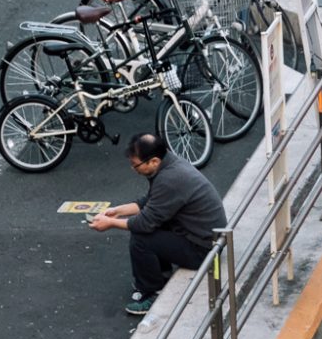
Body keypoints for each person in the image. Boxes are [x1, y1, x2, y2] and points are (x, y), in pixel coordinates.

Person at [87, 131, 227, 318]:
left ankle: (152, 292)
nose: (133, 169)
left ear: (153, 161)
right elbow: (150, 201)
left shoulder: (170, 179)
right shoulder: (170, 164)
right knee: (150, 228)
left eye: (135, 165)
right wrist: (116, 211)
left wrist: (110, 223)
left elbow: (144, 223)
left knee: (141, 238)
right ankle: (159, 275)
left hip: (203, 250)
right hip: (203, 236)